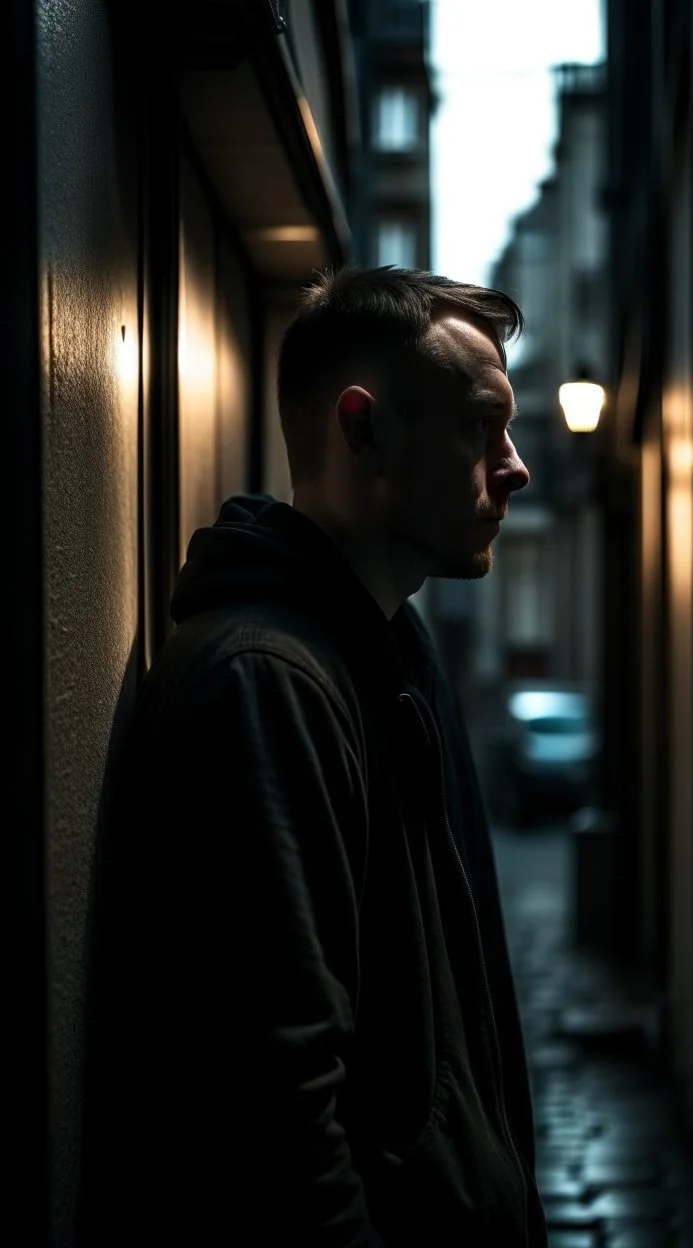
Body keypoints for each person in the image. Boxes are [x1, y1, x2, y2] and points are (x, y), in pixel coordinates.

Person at [78, 266, 548, 1247]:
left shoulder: (389, 651)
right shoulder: (268, 684)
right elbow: (280, 1114)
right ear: (361, 429)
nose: (515, 467)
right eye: (479, 427)